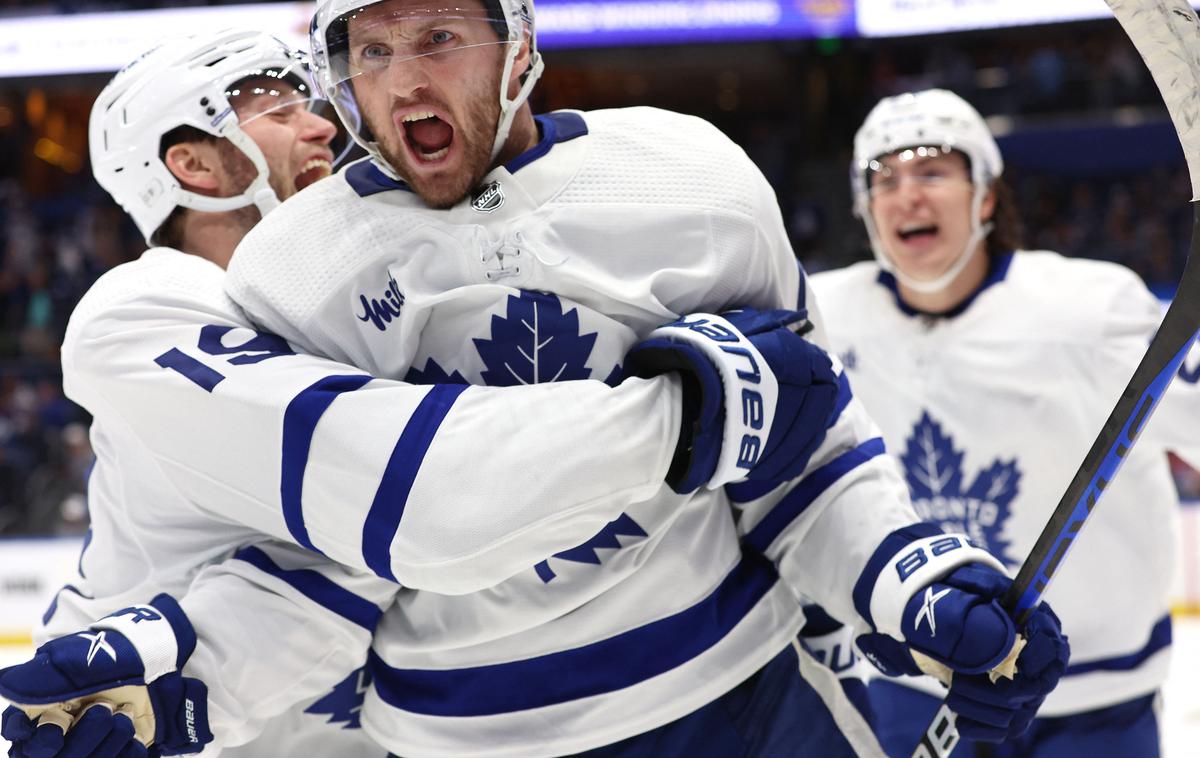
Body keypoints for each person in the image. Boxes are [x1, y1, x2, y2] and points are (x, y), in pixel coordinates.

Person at [3, 10, 1068, 758]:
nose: (390, 87)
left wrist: (903, 576)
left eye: (438, 38)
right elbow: (359, 549)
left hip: (739, 696)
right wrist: (690, 410)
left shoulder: (689, 174)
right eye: (369, 50)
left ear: (518, 42)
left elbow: (810, 454)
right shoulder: (277, 282)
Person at [809, 87, 1200, 757]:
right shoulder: (821, 316)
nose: (908, 194)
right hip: (917, 683)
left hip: (1090, 696)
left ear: (986, 195)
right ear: (864, 207)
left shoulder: (1091, 311)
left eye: (933, 170)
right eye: (885, 176)